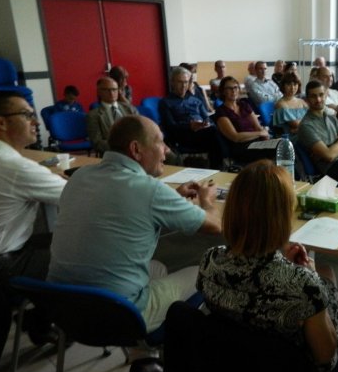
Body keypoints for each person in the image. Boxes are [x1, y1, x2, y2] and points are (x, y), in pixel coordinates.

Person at [48, 115, 221, 333]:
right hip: (117, 315)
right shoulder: (150, 190)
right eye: (160, 142)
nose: (167, 149)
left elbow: (120, 205)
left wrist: (173, 197)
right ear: (136, 149)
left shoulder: (79, 176)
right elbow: (215, 226)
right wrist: (207, 200)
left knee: (157, 268)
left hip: (62, 306)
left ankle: (144, 343)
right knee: (205, 271)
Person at [197, 159, 338, 372]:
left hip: (228, 371)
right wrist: (315, 282)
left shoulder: (209, 260)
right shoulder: (303, 285)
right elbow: (326, 358)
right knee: (332, 288)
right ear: (283, 217)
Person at [0, 91, 67, 372]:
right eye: (26, 115)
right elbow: (78, 197)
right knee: (84, 252)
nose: (35, 121)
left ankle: (38, 319)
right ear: (0, 121)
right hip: (3, 265)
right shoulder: (12, 166)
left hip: (5, 251)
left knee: (61, 242)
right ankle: (52, 318)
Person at [159, 66, 222, 169]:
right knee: (215, 134)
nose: (183, 85)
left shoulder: (195, 100)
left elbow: (207, 118)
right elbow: (170, 126)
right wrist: (190, 126)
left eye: (186, 82)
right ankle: (222, 165)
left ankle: (218, 166)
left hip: (204, 132)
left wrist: (206, 124)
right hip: (183, 136)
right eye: (180, 82)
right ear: (172, 83)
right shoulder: (165, 103)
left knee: (217, 130)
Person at [214, 76, 272, 163]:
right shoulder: (221, 111)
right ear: (223, 91)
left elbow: (258, 127)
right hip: (241, 148)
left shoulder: (244, 105)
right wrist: (260, 133)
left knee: (282, 146)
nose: (233, 90)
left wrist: (267, 142)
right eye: (229, 88)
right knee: (276, 152)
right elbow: (236, 137)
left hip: (257, 143)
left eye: (235, 87)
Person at [86, 76, 139, 156]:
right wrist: (124, 149)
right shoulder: (93, 115)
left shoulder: (130, 109)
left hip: (136, 152)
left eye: (114, 89)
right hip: (113, 155)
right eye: (106, 90)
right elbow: (97, 143)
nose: (111, 93)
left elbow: (140, 130)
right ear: (99, 92)